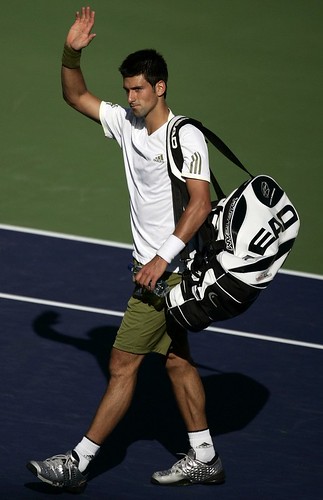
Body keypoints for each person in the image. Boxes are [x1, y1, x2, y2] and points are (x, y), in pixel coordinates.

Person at [26, 6, 225, 491]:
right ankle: (205, 455)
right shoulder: (126, 125)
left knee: (121, 364)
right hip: (153, 268)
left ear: (160, 87)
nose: (131, 98)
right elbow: (75, 95)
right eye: (127, 90)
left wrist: (161, 257)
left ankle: (77, 463)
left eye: (138, 89)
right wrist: (71, 51)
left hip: (169, 275)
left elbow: (200, 204)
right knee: (177, 361)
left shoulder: (185, 135)